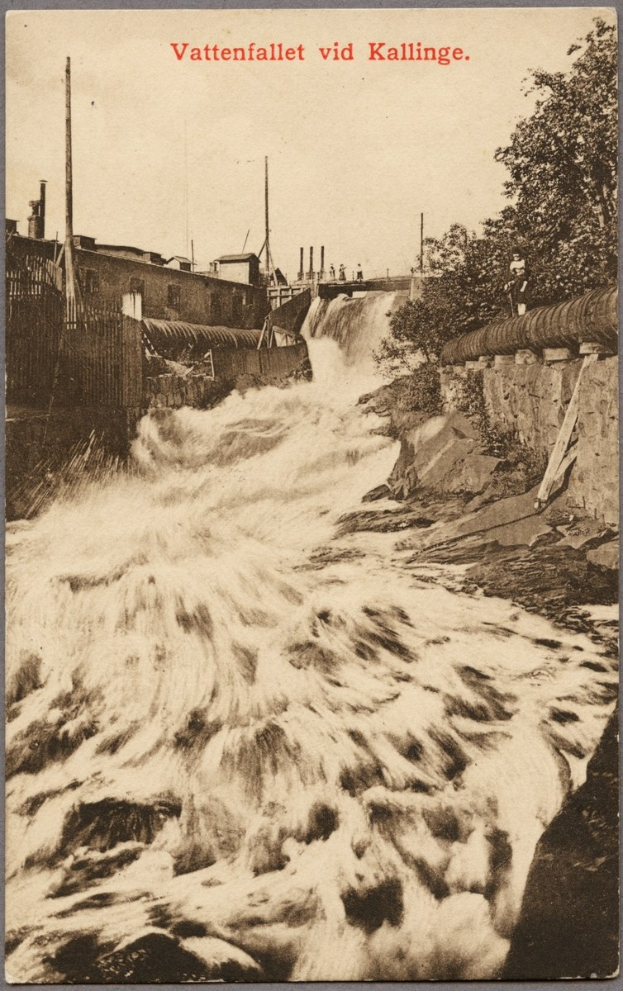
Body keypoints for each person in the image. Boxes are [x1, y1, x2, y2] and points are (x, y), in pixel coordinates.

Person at [505, 248, 529, 316]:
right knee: (515, 298)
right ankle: (516, 314)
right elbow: (509, 275)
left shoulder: (523, 262)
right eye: (514, 256)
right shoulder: (512, 264)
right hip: (516, 284)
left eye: (517, 256)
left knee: (521, 299)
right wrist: (508, 282)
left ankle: (522, 313)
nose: (516, 257)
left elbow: (526, 277)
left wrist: (524, 286)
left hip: (522, 284)